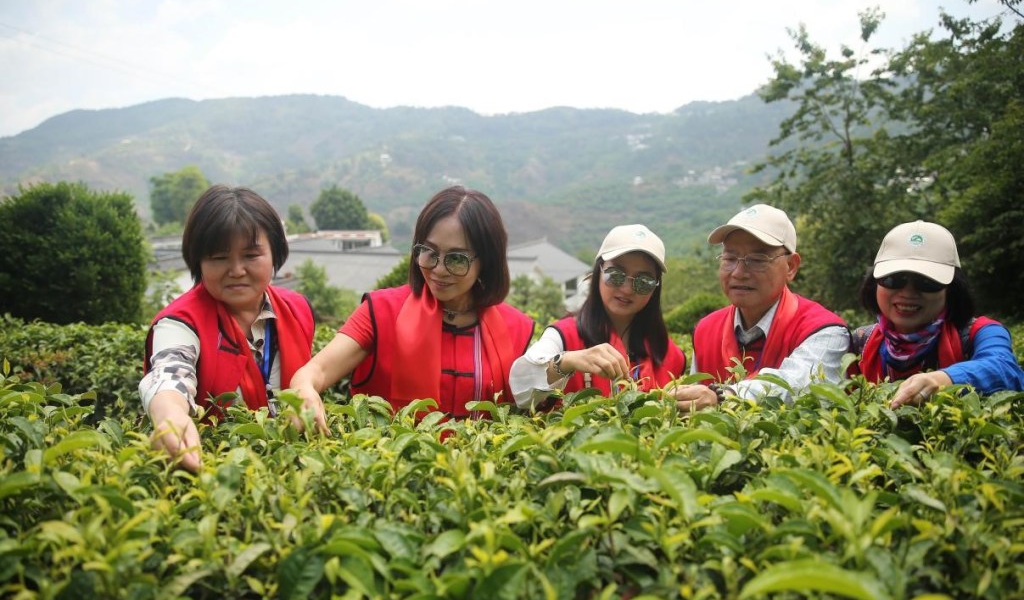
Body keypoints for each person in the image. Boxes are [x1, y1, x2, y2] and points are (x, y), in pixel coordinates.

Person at [290, 186, 535, 430]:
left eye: (456, 259)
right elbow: (316, 371)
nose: (438, 269)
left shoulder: (515, 329)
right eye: (428, 252)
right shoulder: (381, 312)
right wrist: (304, 389)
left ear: (487, 261)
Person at [140, 185, 315, 471]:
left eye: (251, 255)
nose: (236, 270)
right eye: (219, 258)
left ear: (275, 253)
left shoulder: (298, 310)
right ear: (198, 260)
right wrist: (170, 413)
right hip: (217, 476)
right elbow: (169, 373)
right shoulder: (180, 323)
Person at [669, 204, 850, 411]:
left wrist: (725, 397)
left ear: (791, 266)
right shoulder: (707, 330)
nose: (738, 273)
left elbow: (799, 384)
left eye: (757, 260)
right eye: (730, 258)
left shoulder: (824, 331)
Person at [850, 220, 1024, 407]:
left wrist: (944, 380)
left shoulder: (980, 333)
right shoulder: (858, 344)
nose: (908, 293)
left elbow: (1005, 368)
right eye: (894, 279)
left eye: (926, 282)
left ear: (951, 289)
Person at [510, 224, 686, 409]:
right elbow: (521, 387)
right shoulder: (563, 336)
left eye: (643, 281)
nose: (627, 289)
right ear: (598, 271)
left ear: (655, 287)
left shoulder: (671, 355)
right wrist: (568, 361)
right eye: (616, 275)